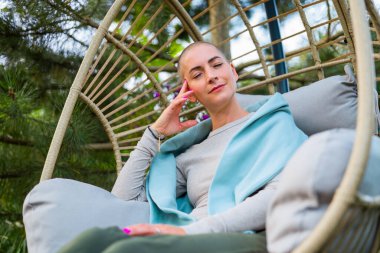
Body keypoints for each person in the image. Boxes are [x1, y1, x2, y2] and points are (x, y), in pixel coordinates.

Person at [59, 41, 307, 252]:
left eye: (217, 65)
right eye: (198, 74)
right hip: (188, 237)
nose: (211, 76)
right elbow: (123, 200)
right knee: (92, 240)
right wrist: (154, 133)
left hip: (250, 236)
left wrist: (189, 232)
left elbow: (280, 194)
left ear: (233, 71)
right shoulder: (190, 153)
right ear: (190, 92)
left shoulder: (275, 124)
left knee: (127, 250)